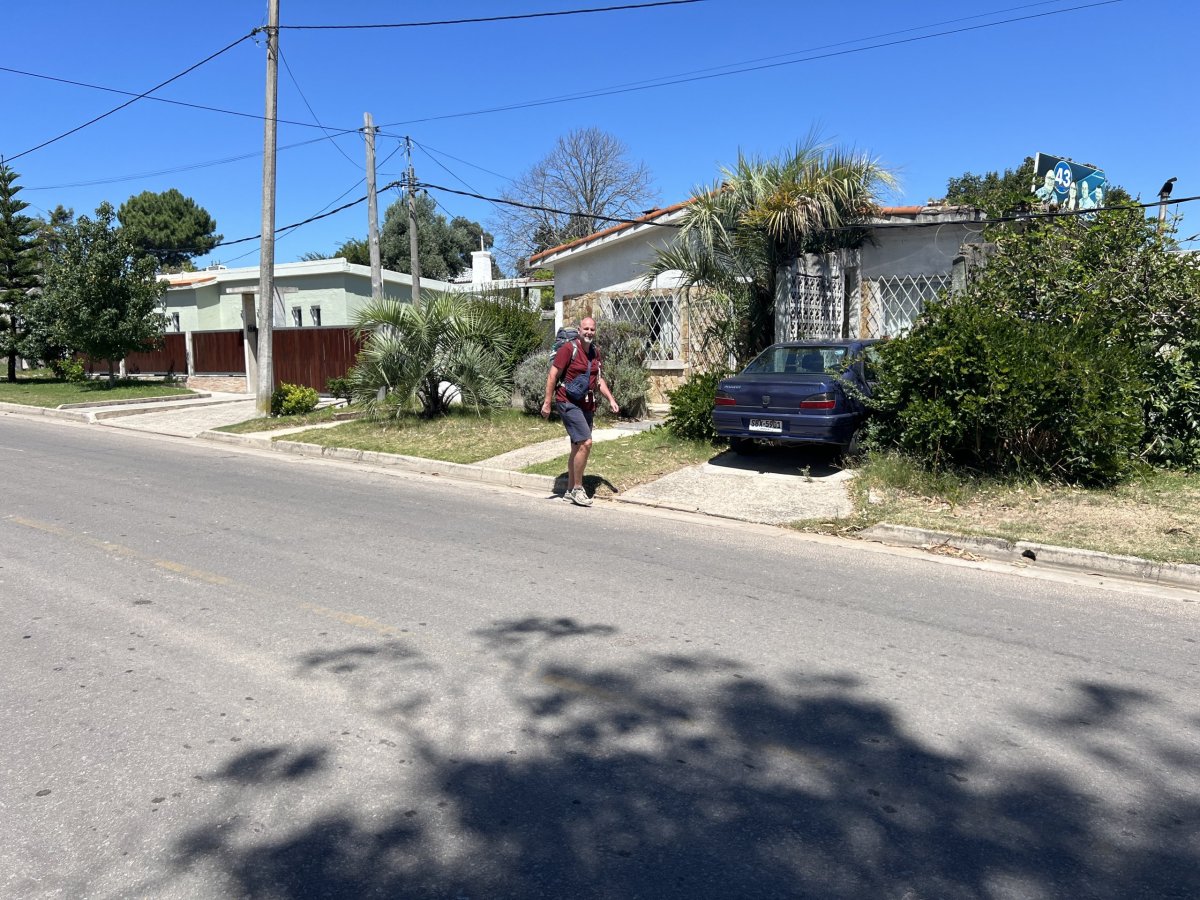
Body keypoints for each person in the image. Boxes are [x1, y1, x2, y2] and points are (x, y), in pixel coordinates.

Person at [541, 316, 619, 506]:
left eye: (592, 329)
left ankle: (569, 490)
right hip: (567, 401)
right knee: (586, 442)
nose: (589, 332)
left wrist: (611, 399)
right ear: (579, 329)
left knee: (577, 446)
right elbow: (553, 375)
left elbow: (598, 380)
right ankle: (577, 488)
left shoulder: (595, 352)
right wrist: (547, 402)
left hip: (586, 403)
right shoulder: (569, 349)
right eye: (586, 329)